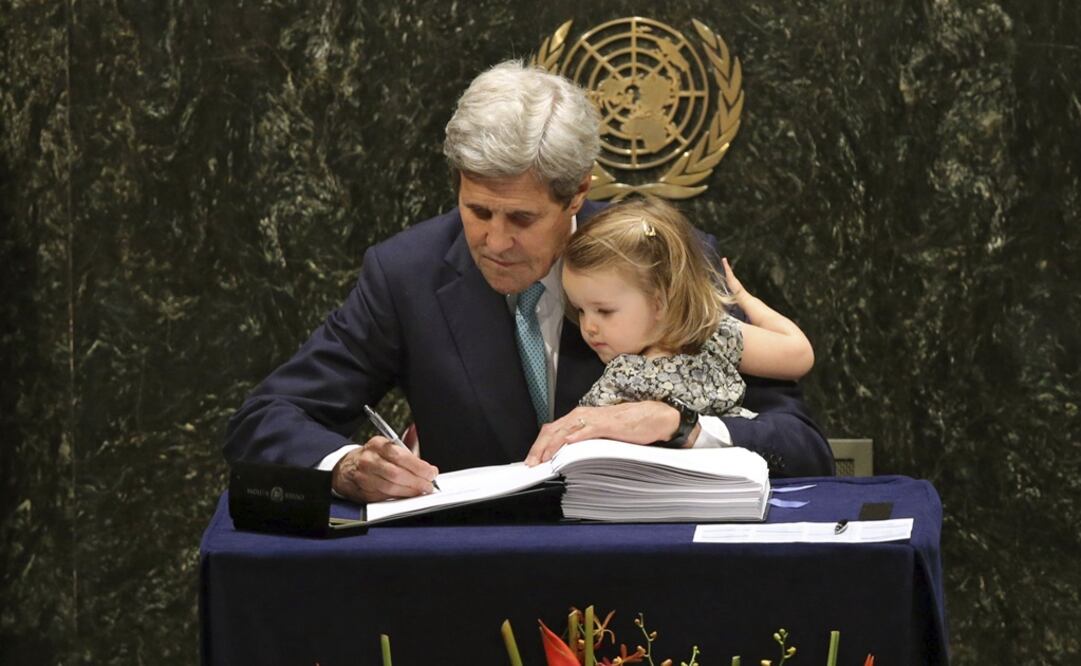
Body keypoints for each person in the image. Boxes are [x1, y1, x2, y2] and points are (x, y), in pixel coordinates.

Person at [223, 60, 834, 504]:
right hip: (472, 581)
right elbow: (268, 416)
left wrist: (680, 427)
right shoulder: (405, 275)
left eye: (521, 219)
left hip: (652, 575)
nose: (493, 240)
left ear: (578, 194)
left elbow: (803, 447)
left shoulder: (662, 257)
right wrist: (346, 464)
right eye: (477, 211)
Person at [522, 197, 813, 465]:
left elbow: (797, 356)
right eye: (580, 310)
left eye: (605, 311)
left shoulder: (713, 334)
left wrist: (747, 301)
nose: (588, 327)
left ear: (659, 302)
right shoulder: (618, 376)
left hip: (729, 481)